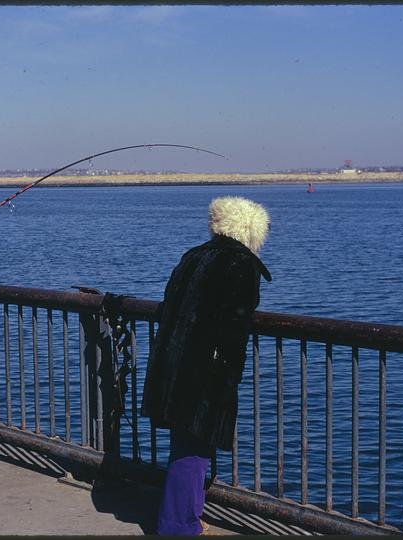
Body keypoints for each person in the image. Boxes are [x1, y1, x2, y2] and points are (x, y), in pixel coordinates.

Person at [141, 196, 272, 535]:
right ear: (252, 231)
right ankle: (178, 525)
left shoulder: (193, 256)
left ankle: (188, 515)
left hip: (173, 363)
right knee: (195, 447)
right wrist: (227, 373)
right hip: (206, 369)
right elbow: (234, 323)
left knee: (187, 443)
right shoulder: (241, 265)